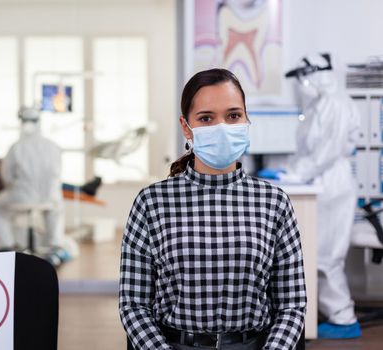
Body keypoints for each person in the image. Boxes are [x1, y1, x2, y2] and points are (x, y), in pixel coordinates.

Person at [119, 69, 306, 350]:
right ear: (186, 127)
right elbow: (133, 304)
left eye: (233, 116)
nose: (222, 127)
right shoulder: (152, 202)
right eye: (206, 118)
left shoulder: (274, 201)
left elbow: (292, 305)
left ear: (246, 119)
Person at [281, 54, 360, 339]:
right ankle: (335, 314)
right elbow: (310, 150)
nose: (300, 86)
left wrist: (296, 174)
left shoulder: (334, 103)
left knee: (327, 253)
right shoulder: (320, 105)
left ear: (313, 75)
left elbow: (328, 150)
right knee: (318, 250)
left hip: (332, 183)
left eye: (302, 78)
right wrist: (290, 170)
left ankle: (343, 319)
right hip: (322, 179)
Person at [0, 113, 69, 257]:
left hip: (22, 195)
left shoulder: (17, 146)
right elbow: (58, 173)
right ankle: (55, 246)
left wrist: (14, 186)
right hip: (50, 196)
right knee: (56, 208)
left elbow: (6, 175)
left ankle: (7, 246)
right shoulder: (53, 146)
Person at [0, 121, 102, 202]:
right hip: (13, 184)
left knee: (49, 181)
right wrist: (16, 163)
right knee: (46, 182)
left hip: (17, 180)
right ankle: (83, 189)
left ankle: (83, 189)